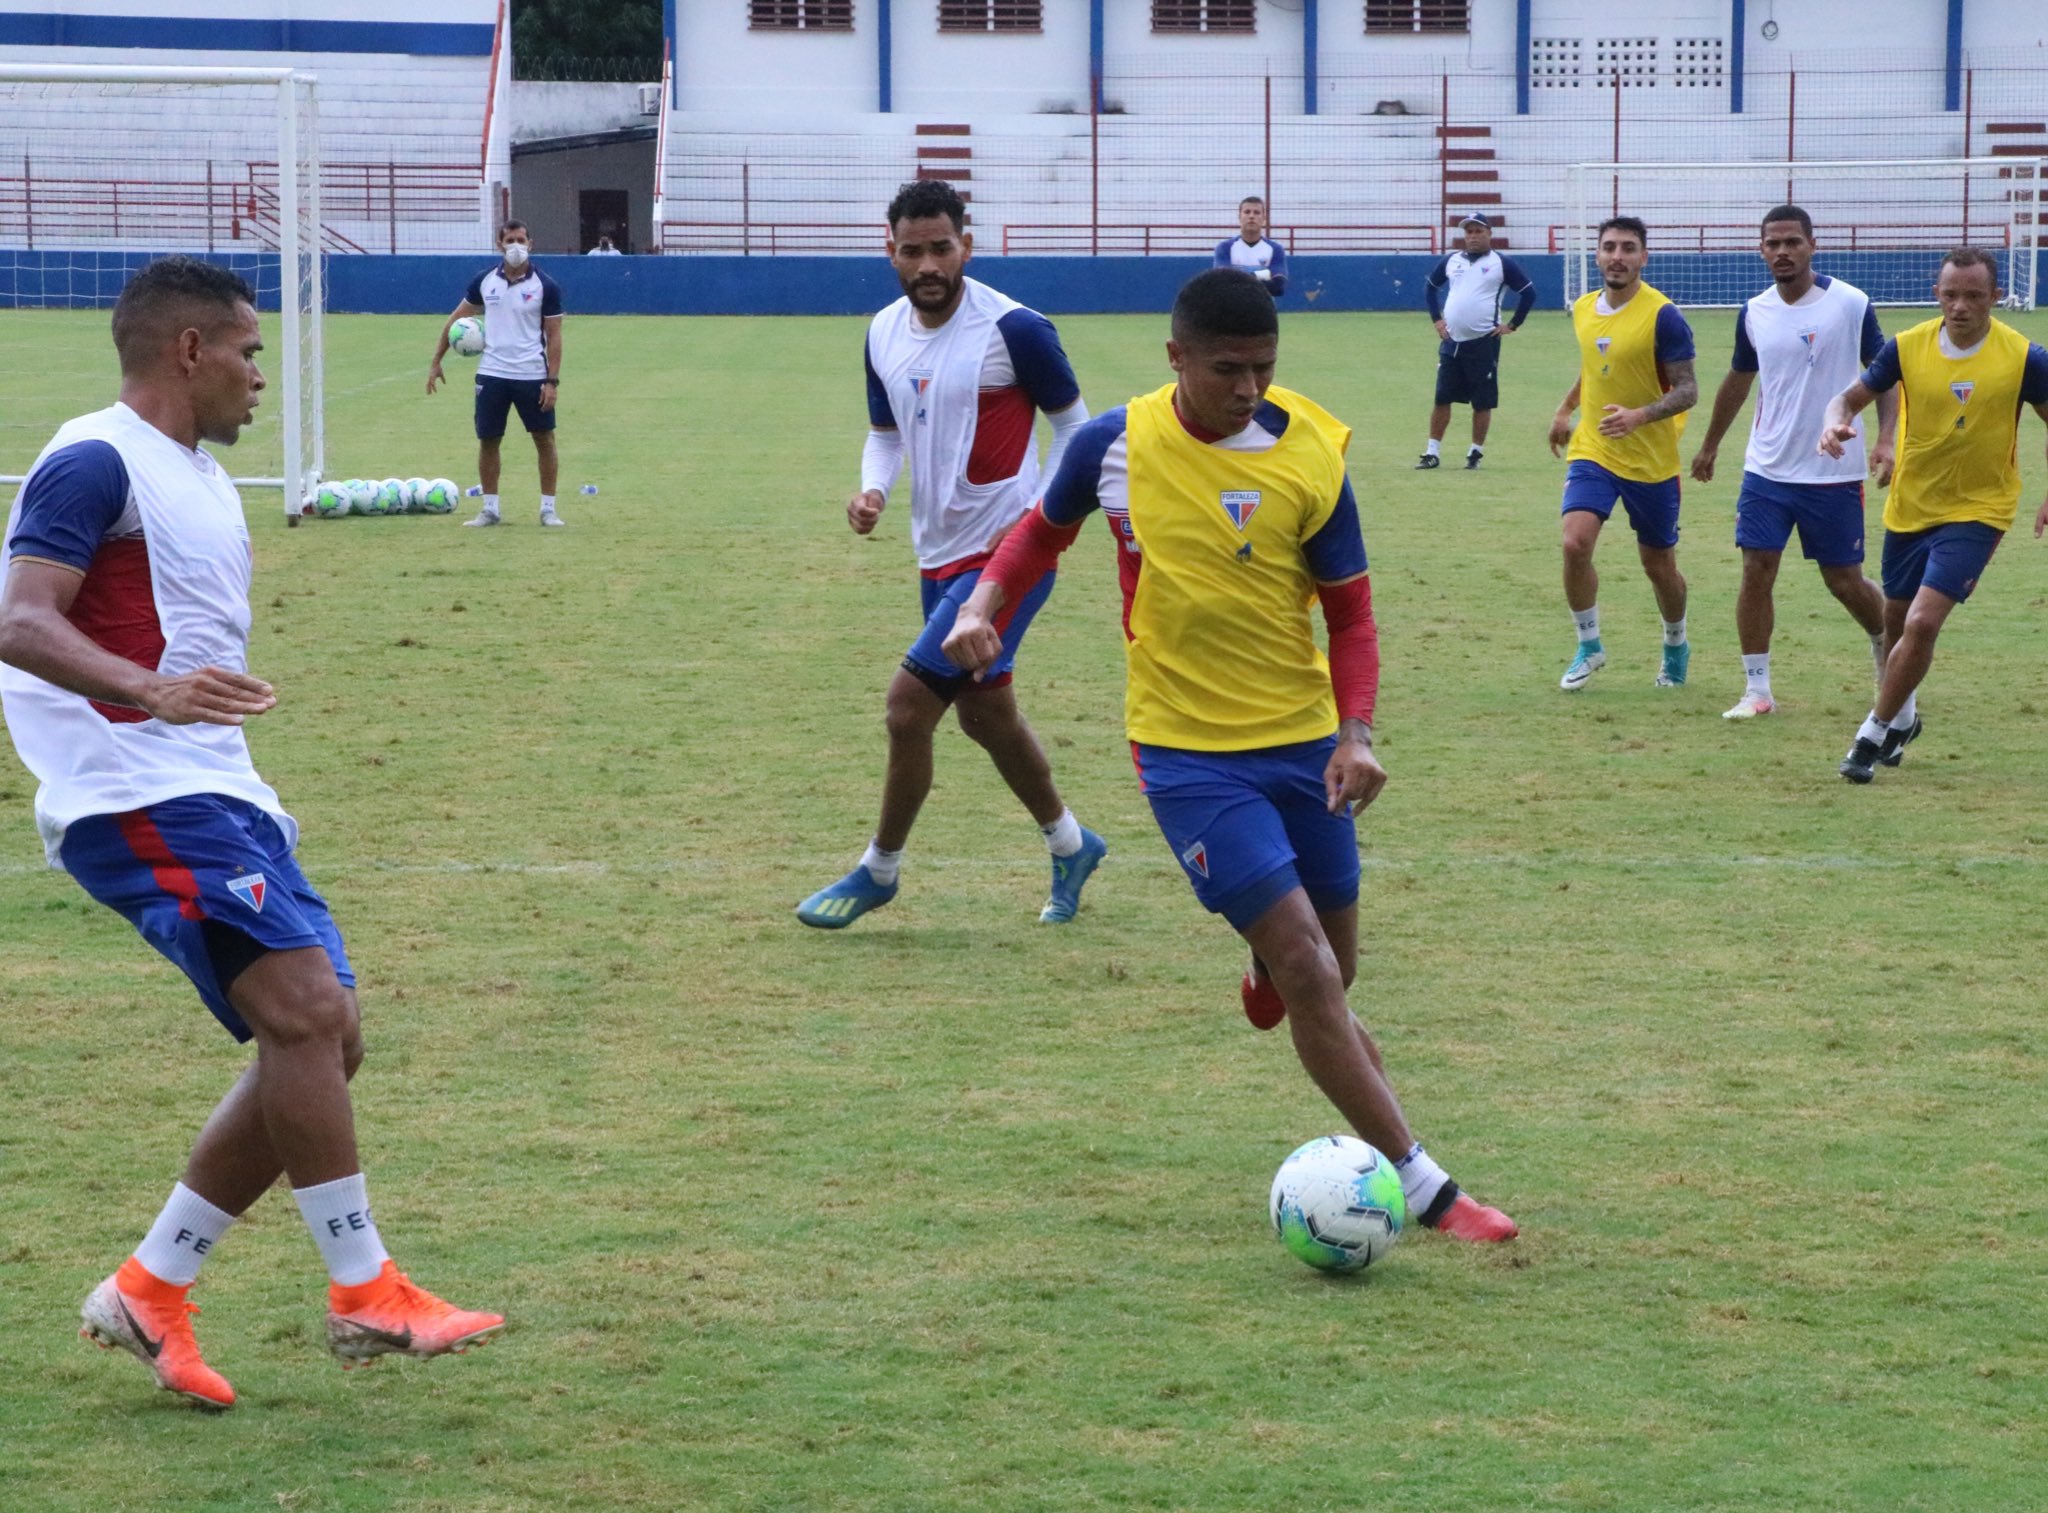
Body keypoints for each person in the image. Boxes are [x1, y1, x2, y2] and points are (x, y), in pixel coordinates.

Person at [0, 258, 502, 1412]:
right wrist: (151, 690)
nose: (261, 376)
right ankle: (363, 1288)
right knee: (304, 1013)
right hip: (129, 790)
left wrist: (230, 767)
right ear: (187, 350)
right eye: (248, 350)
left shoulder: (198, 479)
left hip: (210, 787)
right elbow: (21, 621)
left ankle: (149, 1285)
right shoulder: (94, 458)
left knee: (330, 1034)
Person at [941, 269, 1517, 1244]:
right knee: (1306, 965)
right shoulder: (1112, 445)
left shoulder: (1310, 452)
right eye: (1225, 370)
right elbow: (1037, 537)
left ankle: (1269, 967)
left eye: (1262, 368)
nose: (1247, 389)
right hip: (1186, 753)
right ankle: (1425, 1187)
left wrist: (1355, 733)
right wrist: (979, 603)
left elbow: (1351, 614)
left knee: (1328, 968)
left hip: (1301, 745)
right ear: (1175, 359)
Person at [795, 178, 1106, 929]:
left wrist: (1036, 526)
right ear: (889, 250)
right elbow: (887, 432)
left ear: (968, 243)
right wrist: (871, 489)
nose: (928, 263)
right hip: (935, 557)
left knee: (908, 711)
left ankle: (880, 868)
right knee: (985, 717)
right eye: (912, 250)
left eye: (942, 247)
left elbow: (1080, 434)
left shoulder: (1017, 330)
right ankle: (1072, 843)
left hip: (1007, 561)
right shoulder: (881, 332)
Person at [1820, 247, 2048, 782]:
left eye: (1973, 296)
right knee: (1896, 626)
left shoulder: (2025, 358)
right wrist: (1833, 424)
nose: (1961, 306)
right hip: (1911, 506)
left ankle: (1869, 736)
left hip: (1980, 511)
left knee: (1922, 622)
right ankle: (1903, 719)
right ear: (1936, 294)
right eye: (1951, 295)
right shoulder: (1906, 348)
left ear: (1995, 296)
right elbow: (1847, 400)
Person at [1688, 206, 1895, 719]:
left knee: (1844, 581)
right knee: (1756, 570)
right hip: (1767, 469)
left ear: (1811, 245)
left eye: (1792, 242)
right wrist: (1711, 444)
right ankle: (1757, 691)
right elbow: (1739, 379)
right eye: (1772, 243)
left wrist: (1886, 441)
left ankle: (1885, 643)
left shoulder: (1850, 303)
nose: (1782, 251)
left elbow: (1888, 373)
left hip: (1833, 469)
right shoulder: (1754, 311)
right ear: (1761, 250)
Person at [1547, 215, 1700, 691]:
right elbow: (1594, 365)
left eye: (1628, 248)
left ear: (1643, 258)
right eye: (1609, 247)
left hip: (1651, 461)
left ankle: (1676, 642)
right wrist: (1565, 409)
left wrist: (1639, 416)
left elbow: (1689, 390)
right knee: (1574, 542)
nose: (1617, 256)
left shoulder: (1664, 316)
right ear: (1597, 254)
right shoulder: (1585, 308)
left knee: (1659, 567)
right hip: (1593, 448)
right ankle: (1589, 645)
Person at [428, 219, 566, 527]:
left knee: (544, 438)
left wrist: (551, 381)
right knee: (488, 440)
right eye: (509, 240)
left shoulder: (546, 285)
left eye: (520, 240)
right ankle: (490, 509)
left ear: (531, 244)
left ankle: (548, 509)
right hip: (492, 374)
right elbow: (456, 319)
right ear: (499, 244)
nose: (515, 246)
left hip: (532, 374)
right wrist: (437, 360)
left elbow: (555, 336)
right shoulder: (485, 281)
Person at [1417, 212, 1535, 470]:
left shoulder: (1501, 264)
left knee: (1481, 401)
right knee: (1442, 397)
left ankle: (1475, 453)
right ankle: (1432, 451)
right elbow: (1430, 288)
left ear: (1489, 234)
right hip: (1451, 342)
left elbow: (1528, 293)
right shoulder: (1452, 260)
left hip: (1483, 342)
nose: (1472, 236)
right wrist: (1437, 319)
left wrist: (1512, 325)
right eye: (1468, 232)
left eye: (1478, 231)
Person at [1213, 196, 1288, 296]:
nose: (1251, 216)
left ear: (1264, 218)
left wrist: (1238, 280)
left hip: (1263, 309)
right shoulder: (1225, 248)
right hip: (1231, 309)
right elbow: (1222, 282)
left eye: (1256, 213)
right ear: (1239, 217)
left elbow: (1277, 287)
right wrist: (1262, 276)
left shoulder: (1275, 249)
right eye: (1247, 212)